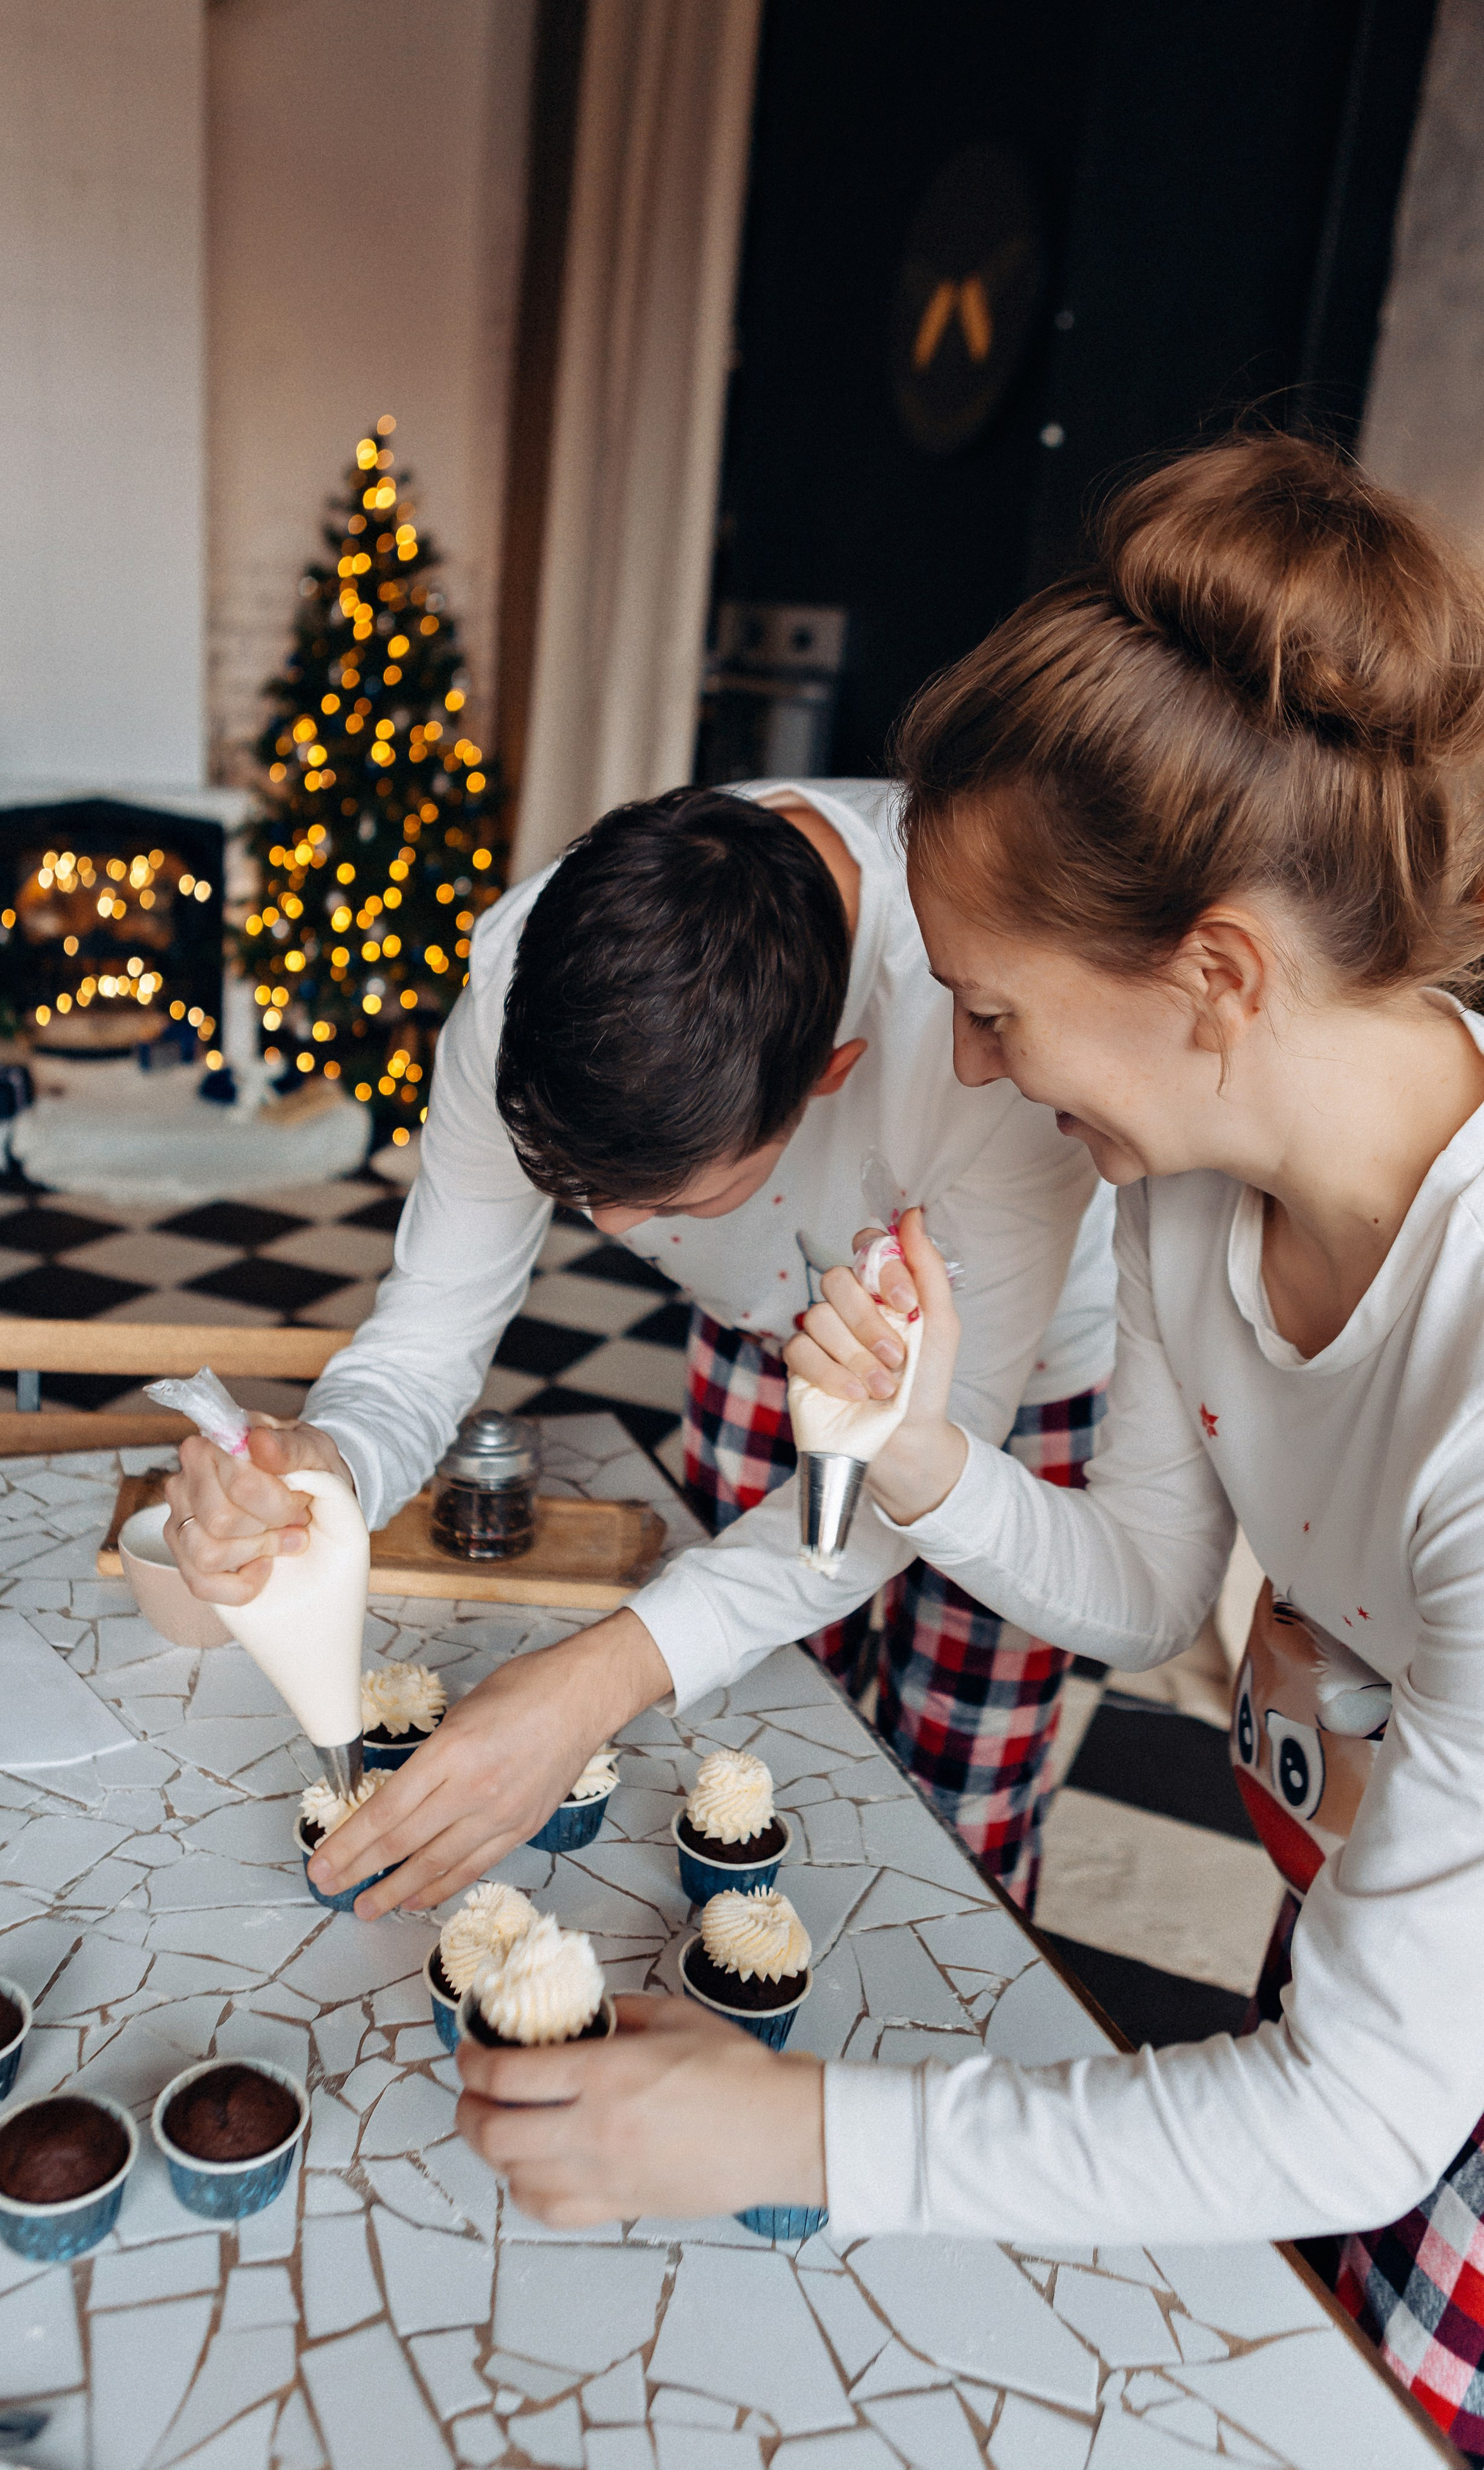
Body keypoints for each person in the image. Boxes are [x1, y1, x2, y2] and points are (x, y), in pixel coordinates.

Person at [452, 433, 1484, 2465]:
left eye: (995, 1009)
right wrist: (916, 1456)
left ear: (1217, 978)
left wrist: (787, 2128)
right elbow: (1145, 1592)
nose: (977, 1071)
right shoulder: (1198, 1198)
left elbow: (1356, 2118)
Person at [166, 782, 1112, 1910]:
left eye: (664, 1200)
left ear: (827, 1076)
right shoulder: (527, 970)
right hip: (766, 1337)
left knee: (956, 1808)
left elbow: (924, 1462)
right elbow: (429, 1329)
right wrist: (335, 1462)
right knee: (755, 1744)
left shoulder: (990, 1028)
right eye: (573, 1189)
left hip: (1017, 1396)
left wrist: (589, 1681)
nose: (614, 1228)